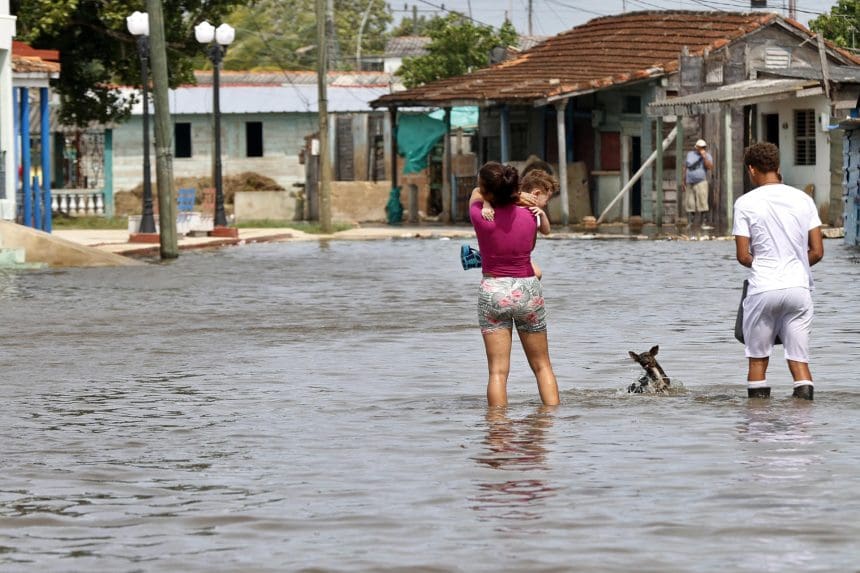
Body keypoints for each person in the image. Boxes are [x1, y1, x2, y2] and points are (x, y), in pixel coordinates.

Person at [733, 142, 824, 400]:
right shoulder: (803, 199)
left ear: (752, 169)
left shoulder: (745, 203)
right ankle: (802, 431)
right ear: (777, 167)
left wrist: (765, 263)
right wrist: (792, 263)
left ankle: (758, 427)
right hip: (798, 289)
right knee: (800, 363)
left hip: (763, 289)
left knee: (758, 362)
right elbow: (817, 251)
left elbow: (742, 256)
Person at [469, 161, 560, 407]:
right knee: (542, 367)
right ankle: (551, 423)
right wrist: (519, 196)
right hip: (527, 290)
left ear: (489, 192)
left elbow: (475, 194)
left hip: (493, 291)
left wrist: (498, 195)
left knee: (497, 372)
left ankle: (497, 430)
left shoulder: (480, 215)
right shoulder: (531, 216)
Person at [480, 169, 557, 279]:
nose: (546, 204)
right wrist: (486, 206)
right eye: (546, 200)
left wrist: (542, 215)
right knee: (536, 273)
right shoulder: (511, 206)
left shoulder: (535, 212)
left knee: (537, 274)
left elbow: (546, 231)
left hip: (520, 257)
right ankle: (481, 256)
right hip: (504, 252)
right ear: (536, 193)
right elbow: (490, 197)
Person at [683, 139, 714, 230]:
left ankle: (703, 223)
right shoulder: (690, 155)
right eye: (700, 147)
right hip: (690, 182)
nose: (701, 149)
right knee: (690, 203)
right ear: (696, 147)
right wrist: (683, 180)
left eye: (703, 147)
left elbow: (710, 167)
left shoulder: (708, 156)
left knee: (702, 202)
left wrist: (704, 157)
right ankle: (690, 223)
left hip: (701, 182)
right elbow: (685, 167)